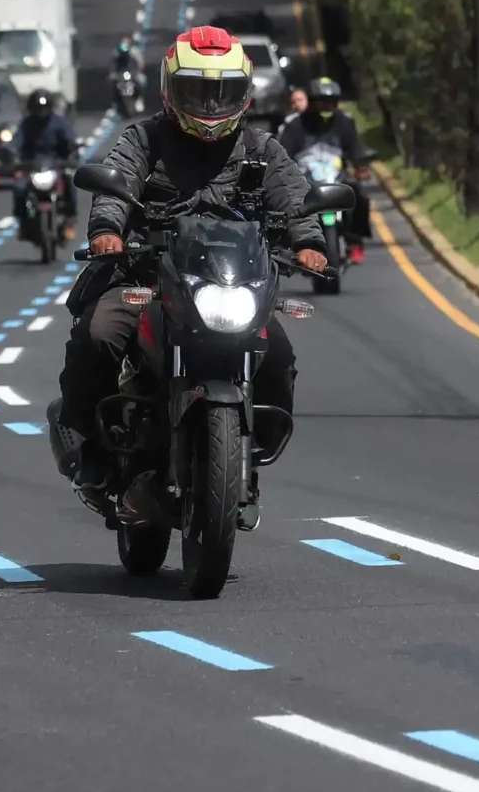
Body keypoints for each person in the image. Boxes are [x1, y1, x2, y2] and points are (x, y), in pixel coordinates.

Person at [55, 26, 329, 490]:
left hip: (232, 285)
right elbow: (115, 186)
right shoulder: (143, 140)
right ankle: (91, 444)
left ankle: (253, 444)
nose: (209, 106)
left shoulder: (262, 150)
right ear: (169, 89)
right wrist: (107, 232)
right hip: (146, 277)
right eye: (197, 92)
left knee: (278, 353)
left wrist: (310, 243)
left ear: (243, 93)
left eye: (222, 93)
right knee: (98, 334)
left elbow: (295, 197)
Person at [276, 76, 373, 258]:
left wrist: (361, 167)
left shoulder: (345, 122)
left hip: (336, 178)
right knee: (283, 201)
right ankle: (287, 244)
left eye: (331, 102)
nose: (327, 107)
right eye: (322, 102)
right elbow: (282, 153)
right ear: (312, 102)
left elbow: (355, 148)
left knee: (360, 197)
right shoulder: (295, 125)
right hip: (304, 180)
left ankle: (354, 239)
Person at [12, 88, 79, 229]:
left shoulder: (59, 123)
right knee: (19, 188)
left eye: (43, 108)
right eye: (38, 109)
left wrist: (72, 155)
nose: (41, 113)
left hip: (56, 163)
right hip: (32, 165)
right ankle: (23, 222)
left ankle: (69, 218)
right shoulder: (26, 124)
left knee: (71, 183)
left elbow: (70, 140)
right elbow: (16, 143)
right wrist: (15, 160)